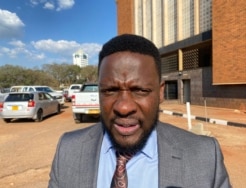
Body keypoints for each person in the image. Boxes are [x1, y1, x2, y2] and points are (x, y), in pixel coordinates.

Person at [48, 34, 231, 188]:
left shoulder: (205, 157)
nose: (124, 107)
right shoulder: (68, 149)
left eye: (141, 90)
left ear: (160, 93)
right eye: (110, 90)